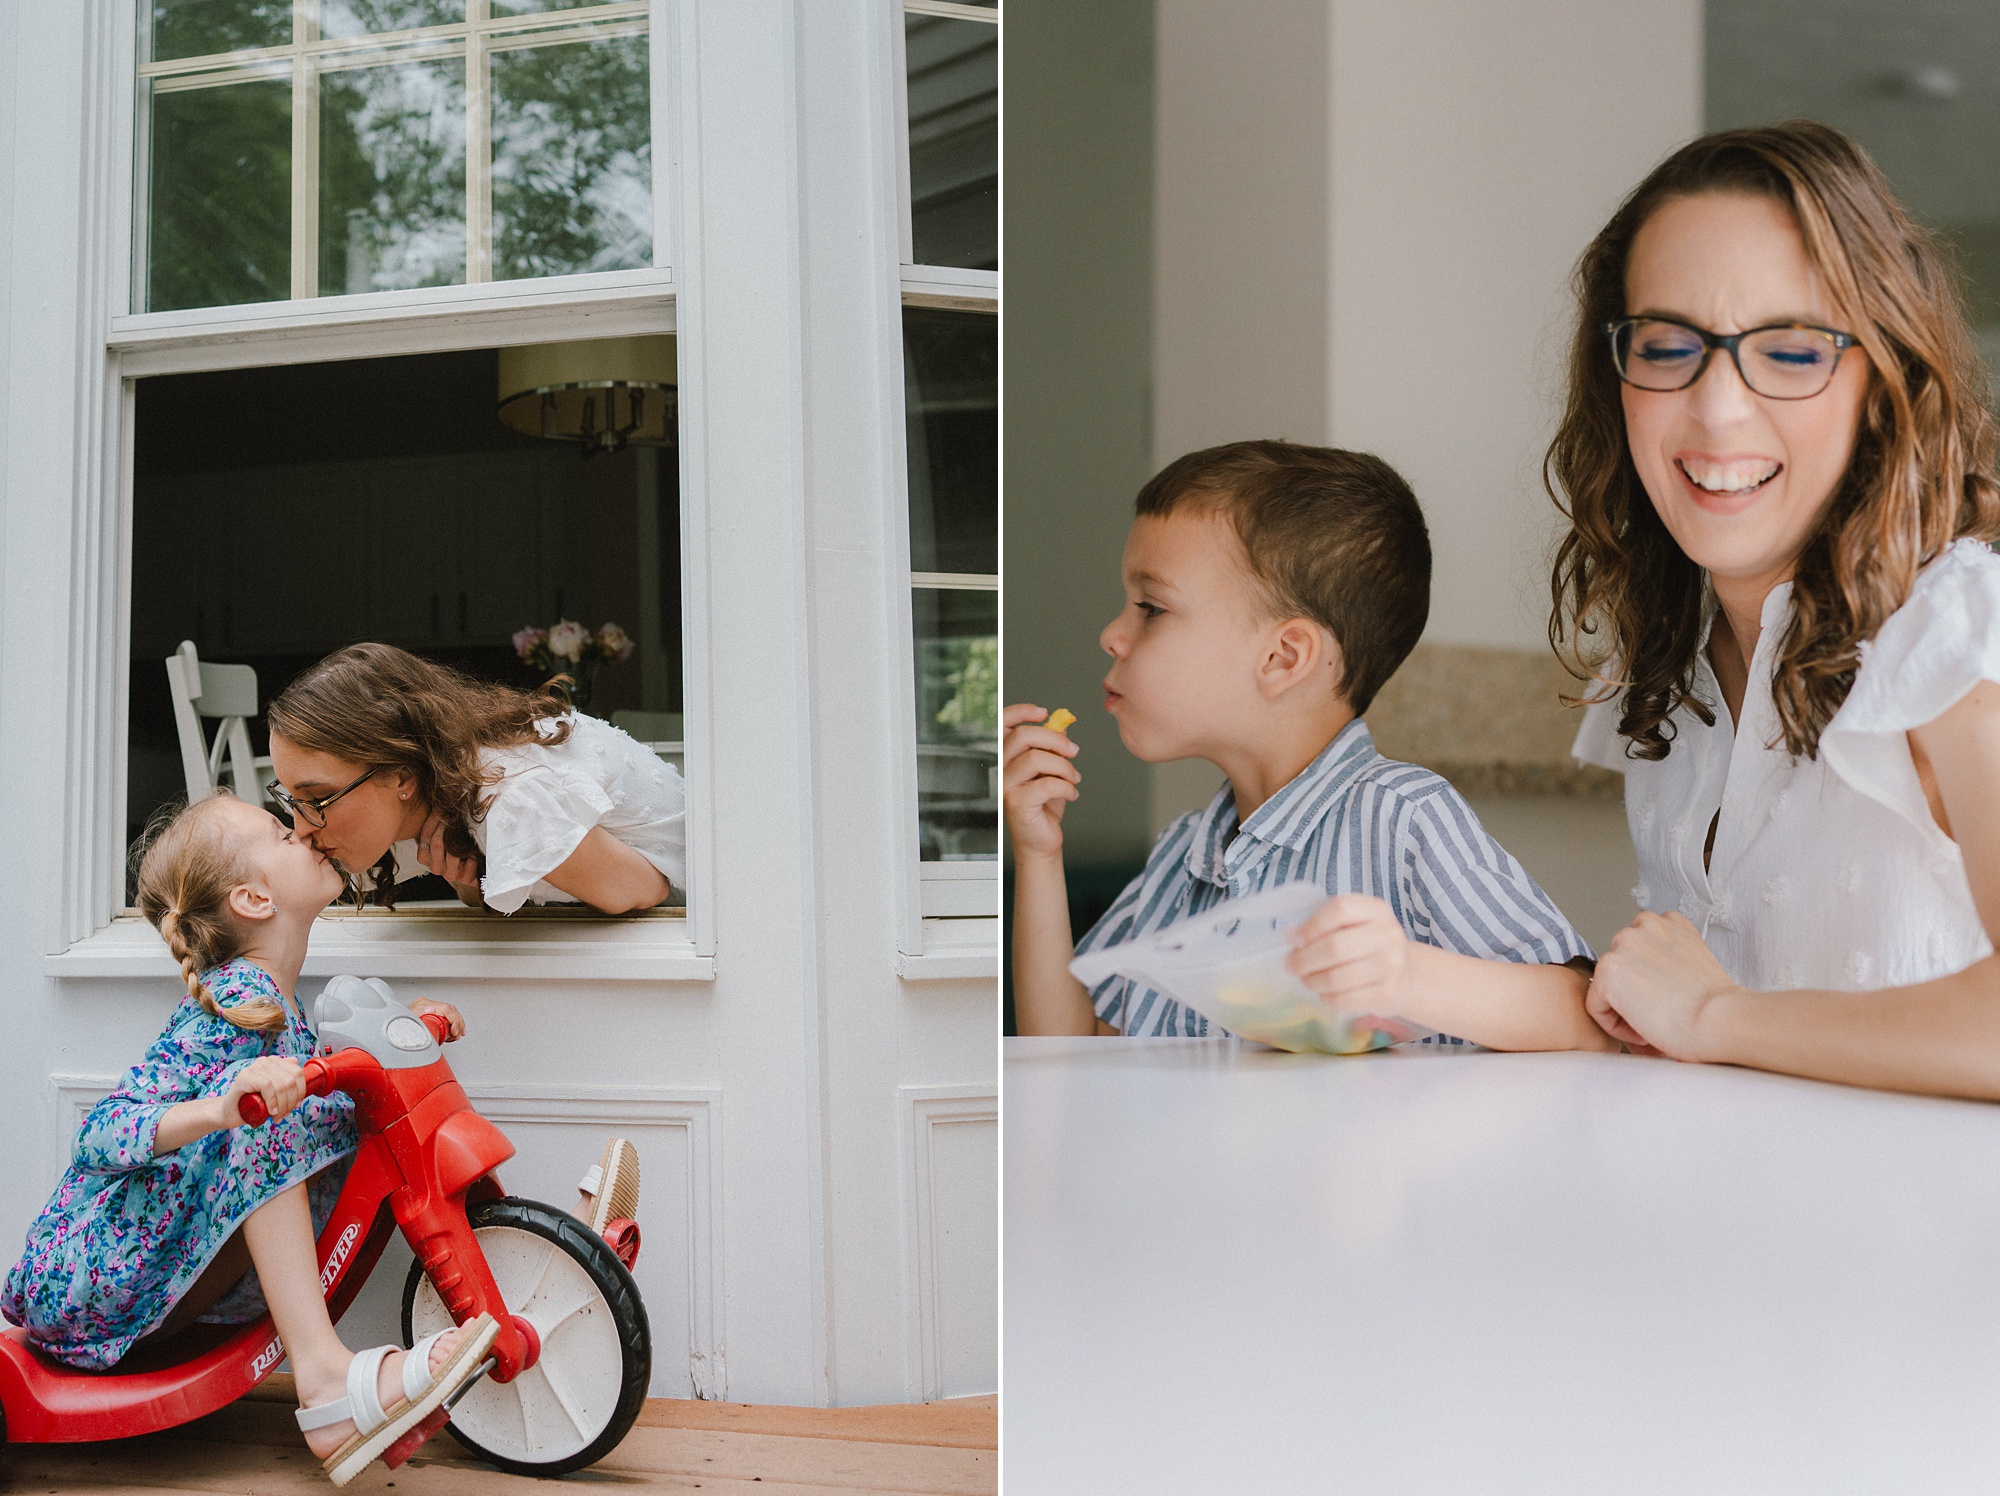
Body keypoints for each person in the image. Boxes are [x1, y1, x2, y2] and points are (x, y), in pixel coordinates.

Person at [1550, 121, 2000, 1099]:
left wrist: (1712, 1014)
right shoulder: (1662, 661)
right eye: (1666, 345)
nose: (1716, 410)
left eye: (1790, 352)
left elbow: (1705, 1014)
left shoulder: (1955, 623)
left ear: (1877, 384)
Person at [1005, 440, 1612, 1051]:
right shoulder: (1180, 857)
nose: (1112, 634)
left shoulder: (1402, 819)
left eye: (1150, 608)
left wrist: (1406, 976)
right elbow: (1073, 1044)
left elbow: (1584, 1020)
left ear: (1283, 657)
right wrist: (1038, 856)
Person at [0, 792, 495, 1486]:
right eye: (278, 832)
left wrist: (400, 1029)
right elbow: (102, 1133)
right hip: (82, 1278)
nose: (302, 831)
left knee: (310, 1109)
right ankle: (324, 1383)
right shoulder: (231, 1007)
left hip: (142, 1285)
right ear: (254, 899)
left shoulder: (276, 1017)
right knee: (269, 1119)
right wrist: (220, 1110)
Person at [266, 642, 685, 918]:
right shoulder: (442, 783)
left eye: (318, 798)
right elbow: (508, 891)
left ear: (401, 775)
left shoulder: (506, 793)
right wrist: (466, 875)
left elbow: (642, 890)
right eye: (291, 801)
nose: (301, 828)